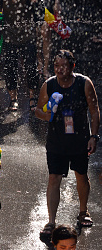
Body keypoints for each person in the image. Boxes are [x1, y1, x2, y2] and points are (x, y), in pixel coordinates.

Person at [35, 50, 100, 235]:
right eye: (56, 66)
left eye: (64, 66)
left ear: (73, 66)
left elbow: (94, 111)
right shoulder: (49, 85)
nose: (60, 69)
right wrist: (46, 115)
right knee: (54, 178)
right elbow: (37, 110)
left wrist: (93, 137)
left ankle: (83, 211)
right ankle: (51, 222)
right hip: (56, 140)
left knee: (81, 175)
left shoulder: (84, 83)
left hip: (79, 139)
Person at [0, 0, 42, 111]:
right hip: (10, 35)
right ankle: (13, 99)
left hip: (28, 36)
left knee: (31, 68)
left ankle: (33, 97)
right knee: (10, 69)